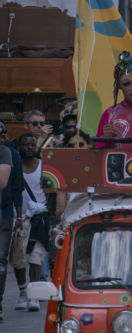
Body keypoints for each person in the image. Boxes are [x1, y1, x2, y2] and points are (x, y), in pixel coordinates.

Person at [14, 134, 48, 312]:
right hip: (16, 217)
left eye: (32, 144)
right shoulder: (13, 164)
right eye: (25, 144)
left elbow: (50, 189)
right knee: (18, 258)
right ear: (18, 146)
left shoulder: (43, 165)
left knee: (35, 257)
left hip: (37, 218)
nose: (29, 147)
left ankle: (34, 296)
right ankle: (22, 292)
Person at [0, 142, 24, 320]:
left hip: (4, 214)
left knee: (1, 262)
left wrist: (19, 217)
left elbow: (11, 185)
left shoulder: (6, 153)